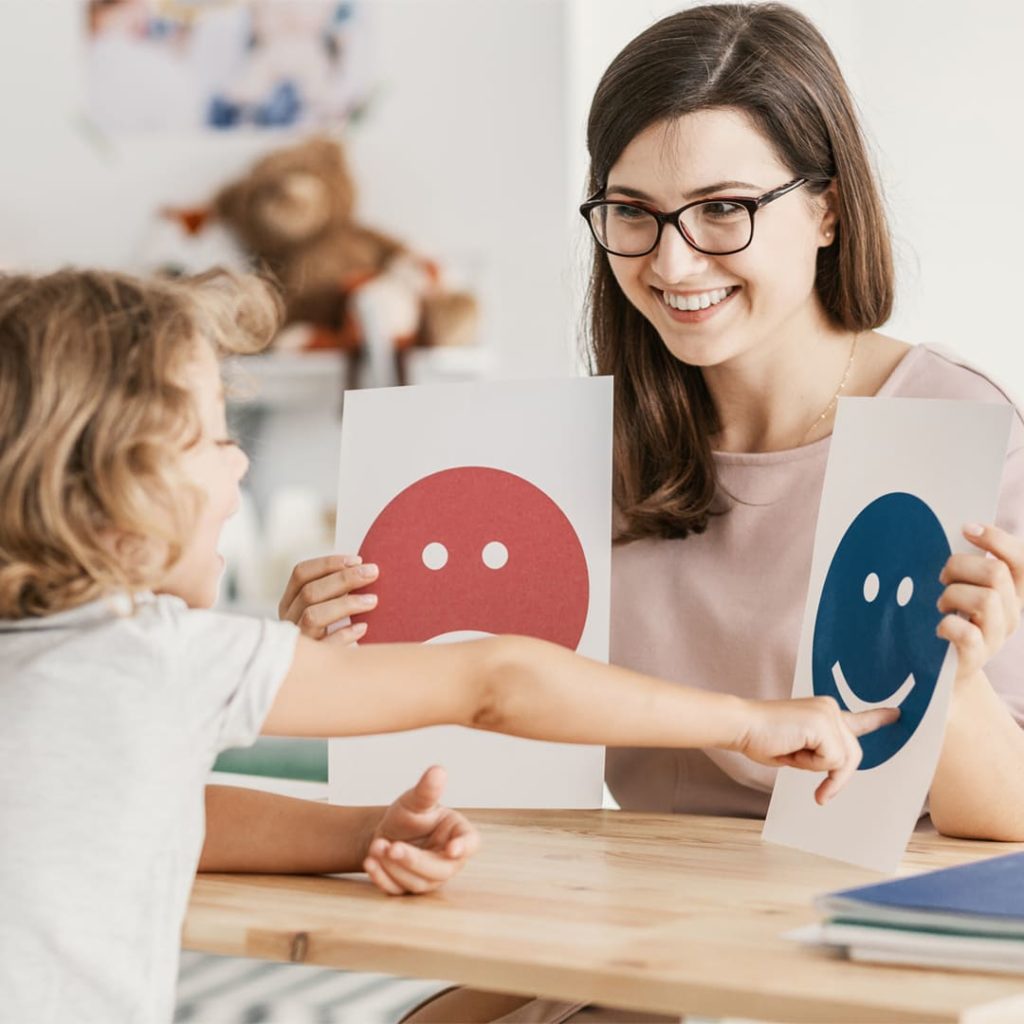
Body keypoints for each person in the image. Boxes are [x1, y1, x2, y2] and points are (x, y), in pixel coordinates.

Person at [286, 3, 1024, 1020]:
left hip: (845, 945)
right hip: (630, 924)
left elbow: (1003, 826)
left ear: (827, 209)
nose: (672, 264)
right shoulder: (572, 452)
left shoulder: (950, 423)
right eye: (632, 211)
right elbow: (484, 721)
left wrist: (965, 681)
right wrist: (330, 656)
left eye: (723, 208)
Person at [0, 267, 895, 1024]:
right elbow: (495, 677)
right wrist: (745, 721)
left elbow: (160, 809)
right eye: (215, 436)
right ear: (115, 483)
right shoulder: (157, 657)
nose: (240, 465)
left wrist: (362, 832)